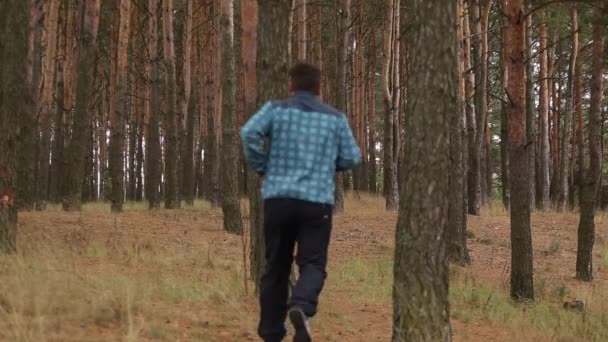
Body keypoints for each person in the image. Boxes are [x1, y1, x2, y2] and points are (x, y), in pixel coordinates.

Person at [241, 63, 361, 342]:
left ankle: (271, 333)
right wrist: (330, 165)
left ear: (291, 87)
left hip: (278, 199)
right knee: (313, 264)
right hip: (316, 202)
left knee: (276, 267)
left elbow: (248, 133)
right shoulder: (335, 118)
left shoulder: (275, 110)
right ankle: (301, 306)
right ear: (319, 89)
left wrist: (262, 168)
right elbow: (352, 156)